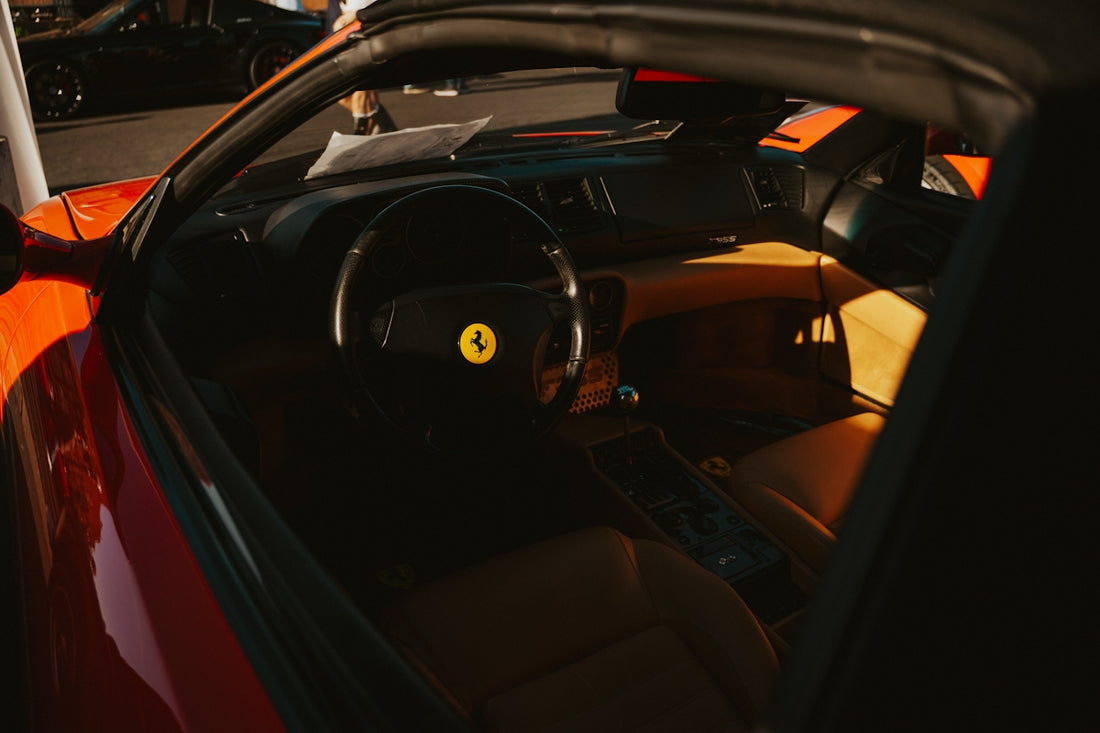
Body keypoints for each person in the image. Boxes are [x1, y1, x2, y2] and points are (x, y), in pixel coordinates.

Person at [332, 2, 397, 135]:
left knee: (362, 85)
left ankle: (362, 129)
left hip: (369, 36)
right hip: (345, 39)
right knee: (339, 91)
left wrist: (357, 15)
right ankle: (380, 122)